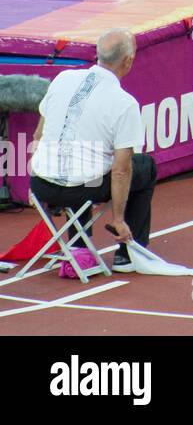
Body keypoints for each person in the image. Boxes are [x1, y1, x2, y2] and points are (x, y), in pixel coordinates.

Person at [28, 28, 155, 273]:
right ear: (128, 61)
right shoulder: (124, 103)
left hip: (40, 184)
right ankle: (129, 252)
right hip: (80, 189)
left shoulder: (63, 78)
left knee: (82, 164)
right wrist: (117, 220)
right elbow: (121, 170)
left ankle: (78, 246)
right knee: (145, 166)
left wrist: (35, 181)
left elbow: (37, 135)